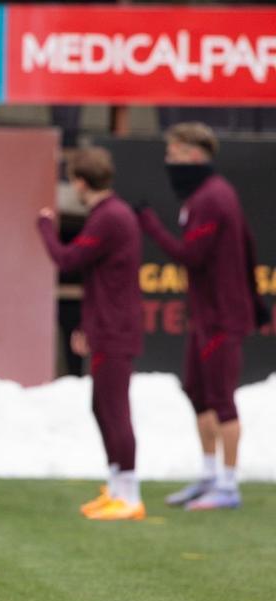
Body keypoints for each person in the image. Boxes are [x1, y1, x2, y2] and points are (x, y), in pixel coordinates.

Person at [137, 122, 266, 511]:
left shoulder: (213, 197)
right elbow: (247, 245)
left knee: (221, 399)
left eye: (173, 155)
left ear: (194, 155)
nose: (168, 163)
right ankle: (209, 475)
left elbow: (192, 256)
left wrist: (151, 227)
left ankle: (228, 485)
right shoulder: (204, 196)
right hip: (207, 314)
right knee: (197, 392)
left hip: (222, 317)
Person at [36, 147, 145, 520]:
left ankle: (129, 495)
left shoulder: (110, 217)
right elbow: (101, 279)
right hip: (106, 325)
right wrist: (87, 324)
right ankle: (117, 487)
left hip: (116, 328)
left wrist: (46, 227)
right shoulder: (108, 215)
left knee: (115, 410)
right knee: (101, 407)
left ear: (80, 182)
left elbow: (68, 260)